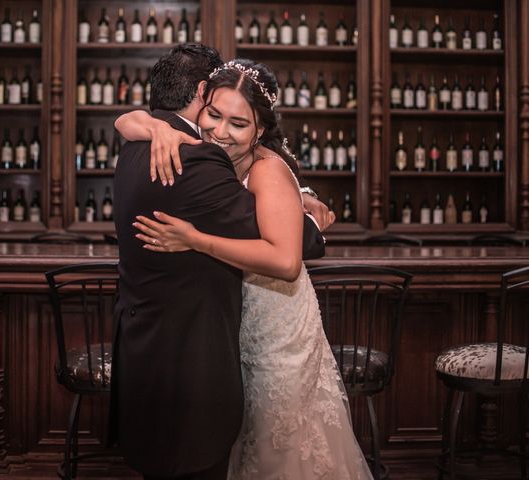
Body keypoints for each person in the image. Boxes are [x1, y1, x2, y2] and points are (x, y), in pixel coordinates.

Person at [119, 59, 373, 479]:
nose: (220, 131)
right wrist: (155, 127)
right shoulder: (212, 158)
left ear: (260, 130)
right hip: (241, 321)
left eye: (238, 124)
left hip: (278, 325)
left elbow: (287, 262)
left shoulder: (267, 168)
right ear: (201, 103)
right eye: (214, 115)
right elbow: (126, 121)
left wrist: (194, 239)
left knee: (282, 443)